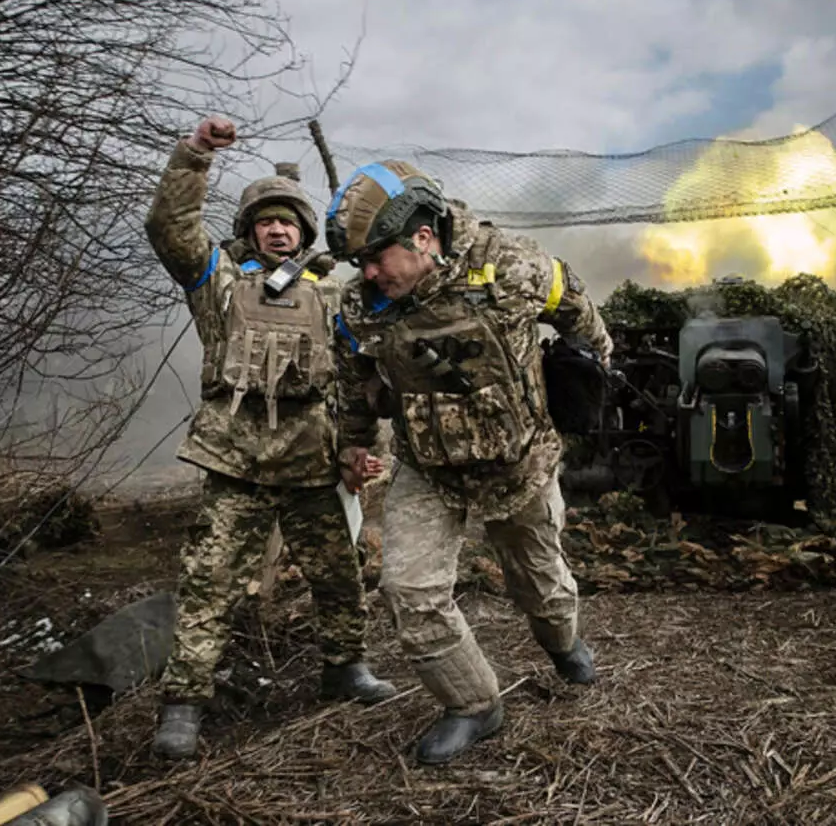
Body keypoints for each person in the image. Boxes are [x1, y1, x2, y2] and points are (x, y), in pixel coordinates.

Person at [326, 160, 614, 766]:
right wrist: (354, 444)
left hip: (520, 464)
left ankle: (563, 643)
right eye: (359, 263)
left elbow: (582, 317)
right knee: (409, 590)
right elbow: (354, 385)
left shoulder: (512, 266)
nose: (368, 273)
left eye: (376, 257)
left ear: (423, 237)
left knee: (542, 589)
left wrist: (586, 374)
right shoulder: (360, 307)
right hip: (429, 469)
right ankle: (474, 705)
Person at [143, 118, 396, 761]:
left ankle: (345, 668)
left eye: (288, 221)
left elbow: (358, 374)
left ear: (305, 231)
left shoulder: (334, 291)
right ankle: (184, 703)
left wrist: (360, 447)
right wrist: (193, 156)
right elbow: (171, 229)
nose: (278, 229)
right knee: (208, 582)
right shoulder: (218, 281)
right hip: (236, 462)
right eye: (266, 221)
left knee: (339, 574)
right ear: (250, 229)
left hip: (312, 460)